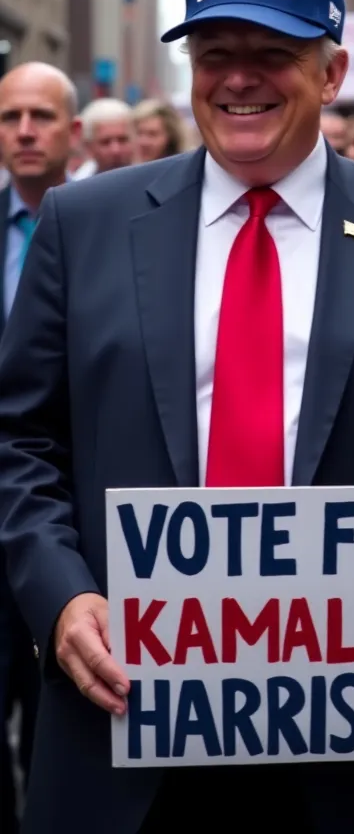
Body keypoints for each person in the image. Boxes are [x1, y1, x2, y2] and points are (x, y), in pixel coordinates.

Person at [0, 0, 354, 834]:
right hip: (125, 726)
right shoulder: (86, 224)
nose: (240, 79)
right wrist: (61, 596)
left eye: (273, 53)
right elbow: (23, 444)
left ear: (333, 69)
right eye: (215, 55)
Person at [0, 62, 81, 831]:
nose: (25, 132)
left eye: (42, 117)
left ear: (74, 132)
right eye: (10, 116)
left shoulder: (103, 226)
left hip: (62, 526)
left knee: (54, 724)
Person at [72, 98, 135, 179]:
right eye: (106, 142)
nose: (116, 150)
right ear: (89, 147)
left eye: (122, 140)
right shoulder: (78, 187)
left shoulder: (150, 181)